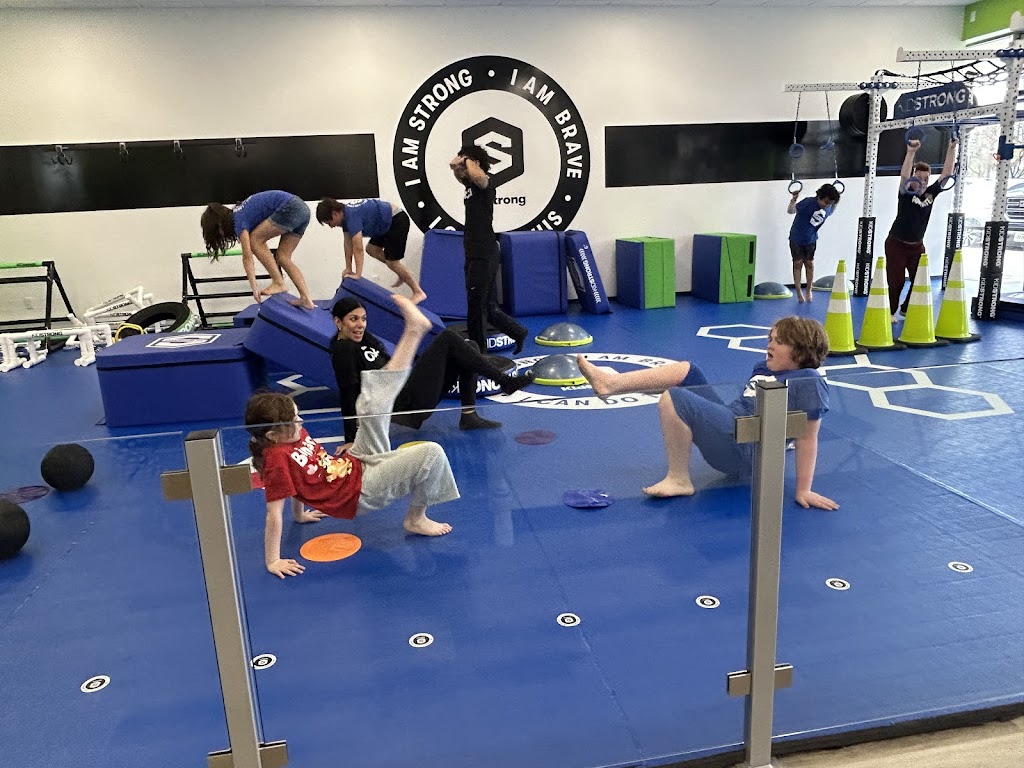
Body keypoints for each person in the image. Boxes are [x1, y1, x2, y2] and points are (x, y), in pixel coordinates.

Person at [246, 294, 461, 579]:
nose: (301, 422)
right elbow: (273, 513)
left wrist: (300, 514)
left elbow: (298, 480)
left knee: (370, 405)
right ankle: (415, 519)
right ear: (273, 435)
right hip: (357, 493)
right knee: (431, 453)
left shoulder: (289, 436)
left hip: (354, 464)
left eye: (298, 416)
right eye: (294, 421)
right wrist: (273, 560)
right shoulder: (276, 459)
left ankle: (414, 331)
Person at [576, 316, 838, 511]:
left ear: (801, 352)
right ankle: (612, 383)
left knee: (675, 397)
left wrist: (803, 489)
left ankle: (679, 479)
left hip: (744, 448)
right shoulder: (764, 367)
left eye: (778, 342)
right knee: (687, 370)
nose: (769, 345)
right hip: (733, 424)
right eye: (770, 339)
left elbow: (808, 436)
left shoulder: (808, 379)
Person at [330, 297, 535, 445]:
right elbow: (348, 391)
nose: (360, 325)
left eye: (363, 319)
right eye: (353, 319)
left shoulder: (365, 341)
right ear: (338, 322)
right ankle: (504, 381)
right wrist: (351, 439)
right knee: (447, 338)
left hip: (408, 391)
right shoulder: (343, 350)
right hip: (403, 403)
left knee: (470, 346)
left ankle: (469, 415)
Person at [449, 145, 529, 355]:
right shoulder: (469, 185)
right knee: (488, 306)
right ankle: (518, 332)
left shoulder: (486, 182)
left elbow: (478, 176)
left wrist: (468, 160)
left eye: (467, 161)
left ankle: (477, 353)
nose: (463, 166)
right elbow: (453, 167)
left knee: (476, 305)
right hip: (474, 251)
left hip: (483, 252)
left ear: (476, 163)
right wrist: (460, 161)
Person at [201, 190, 316, 310]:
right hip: (303, 210)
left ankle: (278, 282)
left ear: (220, 225)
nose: (221, 235)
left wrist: (254, 287)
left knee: (255, 239)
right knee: (283, 257)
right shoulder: (240, 212)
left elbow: (247, 257)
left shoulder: (239, 221)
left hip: (291, 207)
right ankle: (306, 299)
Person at [885, 136, 957, 322]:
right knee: (896, 282)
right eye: (918, 178)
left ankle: (905, 308)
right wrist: (911, 152)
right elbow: (904, 175)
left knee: (920, 279)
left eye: (926, 179)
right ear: (912, 178)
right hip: (896, 243)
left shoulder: (931, 193)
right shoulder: (905, 193)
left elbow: (946, 174)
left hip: (916, 245)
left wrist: (951, 149)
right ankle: (890, 311)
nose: (922, 181)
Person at [316, 198, 428, 304]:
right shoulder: (345, 218)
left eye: (329, 222)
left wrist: (358, 274)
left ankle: (418, 292)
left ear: (334, 214)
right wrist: (348, 268)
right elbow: (348, 244)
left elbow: (358, 247)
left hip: (396, 220)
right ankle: (401, 271)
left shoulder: (351, 216)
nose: (331, 226)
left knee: (392, 263)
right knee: (372, 249)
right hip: (385, 224)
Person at [787, 183, 841, 302]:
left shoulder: (828, 208)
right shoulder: (808, 202)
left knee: (809, 264)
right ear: (819, 197)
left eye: (829, 203)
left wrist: (837, 197)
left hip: (811, 239)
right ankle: (799, 292)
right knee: (797, 264)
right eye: (825, 202)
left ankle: (809, 290)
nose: (826, 205)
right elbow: (790, 211)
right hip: (796, 238)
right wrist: (794, 199)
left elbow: (833, 207)